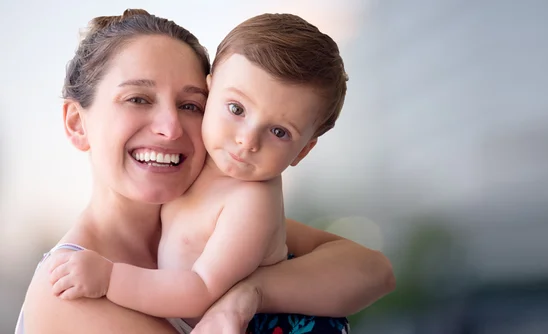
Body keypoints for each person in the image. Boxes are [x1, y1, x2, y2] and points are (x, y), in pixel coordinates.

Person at [17, 9, 395, 334]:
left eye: (190, 105)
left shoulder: (225, 206)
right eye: (138, 99)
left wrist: (250, 294)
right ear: (77, 123)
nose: (170, 127)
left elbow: (375, 270)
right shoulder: (69, 289)